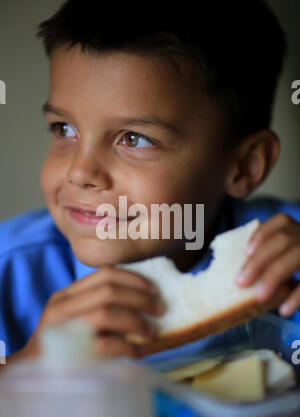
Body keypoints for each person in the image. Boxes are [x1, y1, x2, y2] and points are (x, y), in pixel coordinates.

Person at [1, 0, 300, 364]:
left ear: (244, 167)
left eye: (134, 139)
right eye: (64, 129)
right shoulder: (10, 272)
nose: (79, 173)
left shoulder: (287, 258)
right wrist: (25, 370)